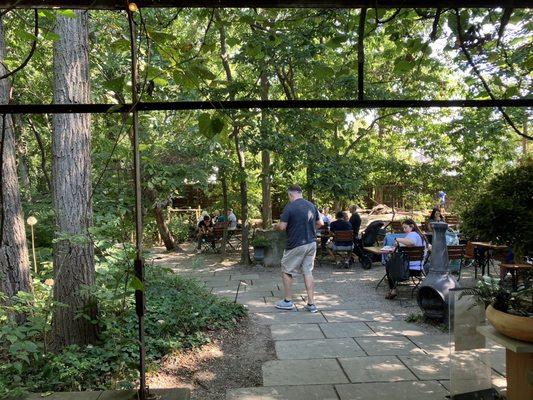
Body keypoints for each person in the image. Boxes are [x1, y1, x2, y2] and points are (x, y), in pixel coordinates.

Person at [275, 185, 323, 313]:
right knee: (307, 271)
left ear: (290, 195)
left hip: (296, 244)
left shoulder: (289, 207)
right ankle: (311, 304)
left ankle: (287, 301)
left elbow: (282, 227)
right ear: (300, 193)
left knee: (286, 270)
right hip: (311, 243)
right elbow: (320, 223)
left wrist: (276, 226)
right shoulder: (312, 206)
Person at [385, 218, 428, 299]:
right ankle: (393, 288)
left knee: (389, 264)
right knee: (391, 263)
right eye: (403, 228)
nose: (404, 230)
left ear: (411, 226)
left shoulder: (413, 234)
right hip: (419, 267)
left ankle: (393, 290)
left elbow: (412, 242)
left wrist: (398, 239)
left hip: (407, 268)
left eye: (405, 227)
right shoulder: (420, 235)